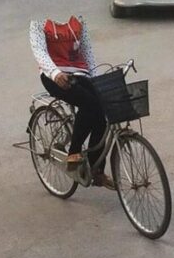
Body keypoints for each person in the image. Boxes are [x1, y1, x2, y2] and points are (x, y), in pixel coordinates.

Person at [29, 16, 114, 186]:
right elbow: (39, 50)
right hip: (55, 75)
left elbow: (87, 50)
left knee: (102, 113)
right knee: (89, 104)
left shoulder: (79, 18)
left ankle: (96, 170)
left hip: (80, 73)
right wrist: (55, 73)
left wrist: (95, 81)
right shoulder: (39, 20)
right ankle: (74, 153)